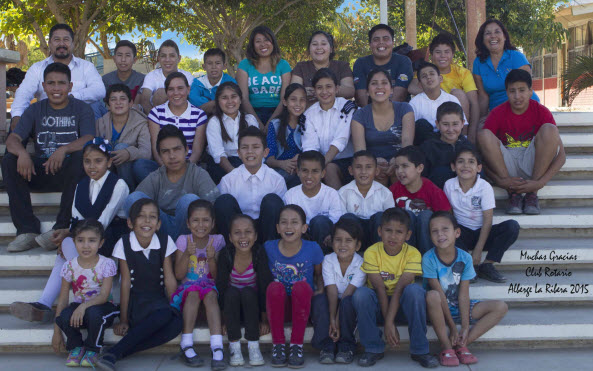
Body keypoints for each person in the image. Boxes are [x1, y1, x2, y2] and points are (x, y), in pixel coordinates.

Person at [9, 141, 128, 322]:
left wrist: (76, 241)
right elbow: (76, 219)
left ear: (109, 162)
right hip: (88, 239)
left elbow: (103, 222)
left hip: (108, 240)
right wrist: (70, 238)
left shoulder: (118, 185)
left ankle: (77, 302)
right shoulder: (80, 185)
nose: (92, 166)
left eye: (98, 161)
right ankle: (45, 304)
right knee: (65, 243)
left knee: (71, 244)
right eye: (87, 161)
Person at [2, 62, 94, 253]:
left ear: (70, 86)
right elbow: (14, 139)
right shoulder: (35, 110)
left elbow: (88, 138)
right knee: (9, 160)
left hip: (69, 175)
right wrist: (22, 153)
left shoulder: (82, 108)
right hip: (39, 171)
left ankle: (60, 227)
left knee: (80, 157)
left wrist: (64, 149)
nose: (56, 88)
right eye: (51, 83)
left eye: (61, 83)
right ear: (43, 86)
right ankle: (26, 231)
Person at [96, 199, 182, 370]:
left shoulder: (165, 241)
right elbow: (126, 283)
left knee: (177, 323)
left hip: (157, 301)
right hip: (137, 303)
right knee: (164, 316)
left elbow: (169, 278)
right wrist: (124, 319)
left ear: (158, 224)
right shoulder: (124, 243)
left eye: (152, 217)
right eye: (141, 216)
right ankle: (115, 352)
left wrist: (176, 306)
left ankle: (115, 352)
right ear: (130, 222)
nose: (147, 221)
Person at [347, 208, 438, 368]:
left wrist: (390, 322)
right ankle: (373, 347)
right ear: (380, 231)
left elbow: (400, 289)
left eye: (399, 232)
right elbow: (380, 289)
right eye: (388, 230)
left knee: (415, 291)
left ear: (408, 235)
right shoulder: (372, 252)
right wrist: (388, 322)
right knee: (361, 294)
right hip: (377, 305)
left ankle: (420, 349)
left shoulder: (413, 253)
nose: (393, 236)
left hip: (402, 305)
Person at [424, 212, 508, 366]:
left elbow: (463, 295)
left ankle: (462, 344)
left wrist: (464, 327)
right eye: (434, 231)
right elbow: (440, 295)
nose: (440, 234)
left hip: (460, 306)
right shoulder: (428, 258)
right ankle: (446, 346)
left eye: (445, 229)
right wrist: (452, 327)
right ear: (430, 236)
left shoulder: (465, 258)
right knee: (432, 295)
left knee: (500, 307)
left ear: (457, 233)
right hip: (438, 310)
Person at [478, 69, 565, 215]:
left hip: (533, 165)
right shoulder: (497, 113)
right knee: (484, 134)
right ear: (506, 92)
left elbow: (561, 156)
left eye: (522, 90)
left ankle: (532, 195)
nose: (517, 96)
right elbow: (482, 155)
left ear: (531, 91)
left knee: (550, 129)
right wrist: (501, 181)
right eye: (512, 91)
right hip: (506, 165)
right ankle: (513, 194)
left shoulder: (542, 112)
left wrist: (540, 183)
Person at [124, 125, 220, 240]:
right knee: (133, 199)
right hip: (161, 229)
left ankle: (181, 249)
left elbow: (212, 210)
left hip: (190, 233)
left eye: (177, 149)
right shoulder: (156, 177)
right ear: (159, 155)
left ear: (186, 150)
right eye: (165, 151)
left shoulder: (198, 174)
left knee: (189, 201)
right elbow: (136, 206)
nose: (172, 156)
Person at [445, 148, 520, 283]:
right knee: (448, 229)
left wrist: (478, 250)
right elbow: (449, 215)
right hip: (462, 233)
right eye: (460, 162)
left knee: (512, 226)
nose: (466, 166)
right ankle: (467, 266)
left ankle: (487, 265)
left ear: (479, 168)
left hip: (483, 232)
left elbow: (487, 220)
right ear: (453, 167)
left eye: (471, 162)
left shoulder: (484, 187)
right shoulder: (449, 185)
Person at [10, 23, 105, 127]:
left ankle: (93, 142)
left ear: (73, 43)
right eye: (57, 40)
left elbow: (99, 90)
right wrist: (17, 116)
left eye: (66, 40)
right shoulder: (37, 68)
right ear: (50, 43)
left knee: (95, 106)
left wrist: (71, 97)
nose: (62, 44)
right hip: (48, 119)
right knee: (23, 116)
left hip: (80, 119)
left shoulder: (86, 67)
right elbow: (24, 93)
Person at [52, 220, 119, 367]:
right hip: (80, 308)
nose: (86, 245)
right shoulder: (69, 266)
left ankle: (93, 349)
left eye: (92, 240)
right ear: (74, 242)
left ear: (101, 243)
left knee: (95, 313)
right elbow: (63, 300)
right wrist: (56, 332)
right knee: (63, 316)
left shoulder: (106, 264)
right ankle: (76, 347)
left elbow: (103, 296)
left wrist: (83, 307)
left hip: (103, 307)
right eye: (81, 240)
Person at [264, 205, 324, 368]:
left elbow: (318, 274)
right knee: (274, 288)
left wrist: (320, 290)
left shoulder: (313, 248)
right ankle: (278, 345)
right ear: (277, 228)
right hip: (279, 307)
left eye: (294, 222)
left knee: (302, 287)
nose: (289, 227)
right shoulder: (269, 247)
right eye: (284, 222)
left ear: (304, 228)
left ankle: (297, 345)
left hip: (303, 307)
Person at [171, 200, 226, 369]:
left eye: (206, 220)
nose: (200, 225)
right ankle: (186, 343)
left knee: (210, 295)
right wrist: (187, 253)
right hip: (188, 288)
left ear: (213, 223)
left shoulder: (217, 240)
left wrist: (211, 258)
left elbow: (217, 276)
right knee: (194, 292)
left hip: (210, 286)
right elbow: (179, 274)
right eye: (195, 220)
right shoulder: (183, 240)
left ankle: (217, 347)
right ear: (188, 223)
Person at [216, 214, 273, 367]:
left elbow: (263, 288)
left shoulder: (259, 253)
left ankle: (254, 346)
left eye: (248, 232)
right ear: (229, 237)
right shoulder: (226, 255)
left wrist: (264, 320)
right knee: (231, 292)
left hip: (252, 309)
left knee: (248, 292)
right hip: (232, 309)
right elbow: (220, 289)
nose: (243, 237)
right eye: (237, 232)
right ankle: (234, 347)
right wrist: (223, 320)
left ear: (255, 236)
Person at [215, 126, 286, 243]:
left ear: (265, 152)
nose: (250, 152)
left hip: (266, 229)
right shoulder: (229, 180)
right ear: (238, 153)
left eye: (256, 147)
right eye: (244, 147)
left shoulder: (276, 179)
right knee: (224, 201)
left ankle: (269, 250)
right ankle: (231, 251)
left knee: (272, 200)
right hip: (238, 230)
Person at [312, 218, 366, 364]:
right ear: (331, 242)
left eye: (348, 240)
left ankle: (346, 346)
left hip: (349, 301)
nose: (342, 245)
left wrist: (335, 319)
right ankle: (327, 346)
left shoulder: (361, 263)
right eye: (338, 240)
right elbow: (331, 290)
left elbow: (349, 292)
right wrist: (332, 319)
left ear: (357, 245)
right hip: (333, 298)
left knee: (348, 303)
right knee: (319, 300)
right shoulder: (328, 260)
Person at [351, 69, 414, 186]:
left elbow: (407, 144)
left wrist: (397, 160)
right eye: (374, 83)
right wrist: (374, 163)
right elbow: (360, 152)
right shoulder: (359, 115)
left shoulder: (405, 109)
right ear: (367, 92)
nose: (379, 87)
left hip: (401, 161)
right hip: (372, 164)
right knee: (376, 173)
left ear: (391, 90)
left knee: (399, 170)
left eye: (384, 83)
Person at [390, 146, 451, 255]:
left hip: (428, 240)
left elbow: (446, 217)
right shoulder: (393, 190)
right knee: (405, 215)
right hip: (405, 240)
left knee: (426, 215)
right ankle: (406, 260)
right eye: (397, 167)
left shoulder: (432, 189)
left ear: (419, 168)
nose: (399, 171)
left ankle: (429, 260)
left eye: (405, 166)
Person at [302, 68, 356, 189]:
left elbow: (341, 140)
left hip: (348, 161)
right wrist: (314, 168)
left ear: (337, 89)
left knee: (329, 168)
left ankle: (338, 207)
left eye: (329, 87)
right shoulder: (309, 114)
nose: (324, 91)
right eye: (319, 87)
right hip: (321, 162)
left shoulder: (347, 107)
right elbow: (310, 147)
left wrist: (319, 166)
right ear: (314, 91)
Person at [473, 19, 539, 117]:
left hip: (524, 107)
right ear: (482, 39)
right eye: (487, 33)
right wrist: (481, 120)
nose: (493, 36)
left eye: (497, 32)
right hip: (497, 113)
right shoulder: (478, 62)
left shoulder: (516, 57)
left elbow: (524, 90)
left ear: (504, 37)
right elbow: (483, 97)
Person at [283, 150, 344, 253]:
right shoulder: (290, 195)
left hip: (324, 239)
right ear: (298, 172)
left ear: (323, 173)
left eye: (315, 171)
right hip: (300, 238)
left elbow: (336, 223)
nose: (309, 176)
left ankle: (321, 262)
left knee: (319, 222)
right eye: (305, 171)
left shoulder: (331, 194)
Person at [147, 72, 207, 175]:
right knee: (141, 165)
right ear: (166, 92)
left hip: (189, 167)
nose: (176, 93)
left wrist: (182, 172)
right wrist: (167, 170)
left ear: (188, 90)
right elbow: (155, 148)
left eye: (180, 88)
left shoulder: (199, 115)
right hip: (162, 167)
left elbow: (197, 151)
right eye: (171, 89)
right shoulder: (156, 113)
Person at [96, 84, 151, 189]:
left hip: (131, 172)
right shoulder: (100, 123)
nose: (118, 103)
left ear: (130, 103)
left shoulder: (141, 123)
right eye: (113, 99)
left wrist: (128, 153)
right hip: (109, 168)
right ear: (107, 105)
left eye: (122, 99)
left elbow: (147, 153)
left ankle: (127, 192)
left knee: (121, 148)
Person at [236, 26, 291, 126]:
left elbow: (284, 98)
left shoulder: (284, 65)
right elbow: (243, 98)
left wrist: (271, 123)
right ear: (253, 45)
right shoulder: (244, 65)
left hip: (278, 113)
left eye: (266, 40)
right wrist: (257, 122)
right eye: (258, 41)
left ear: (273, 42)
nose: (263, 44)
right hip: (251, 113)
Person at [339, 150, 395, 250]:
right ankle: (351, 255)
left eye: (368, 167)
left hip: (376, 235)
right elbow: (341, 223)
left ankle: (380, 254)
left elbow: (390, 222)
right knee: (348, 218)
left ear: (376, 171)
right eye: (358, 167)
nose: (363, 171)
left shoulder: (385, 193)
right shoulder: (343, 192)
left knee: (381, 217)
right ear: (351, 170)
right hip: (354, 235)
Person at [205, 81, 259, 184]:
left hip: (247, 162)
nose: (230, 101)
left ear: (240, 100)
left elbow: (257, 147)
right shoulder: (214, 122)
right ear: (218, 101)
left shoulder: (249, 120)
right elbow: (218, 154)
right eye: (224, 98)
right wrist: (236, 175)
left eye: (234, 96)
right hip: (223, 165)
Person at [429, 34, 479, 143]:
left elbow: (474, 103)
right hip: (432, 115)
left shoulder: (462, 73)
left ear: (452, 54)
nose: (442, 56)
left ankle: (462, 137)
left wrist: (472, 133)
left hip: (456, 119)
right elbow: (412, 86)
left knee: (458, 93)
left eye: (447, 52)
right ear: (431, 55)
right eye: (438, 52)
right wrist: (437, 93)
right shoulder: (426, 71)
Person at [353, 24, 414, 106]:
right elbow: (361, 96)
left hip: (398, 112)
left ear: (393, 43)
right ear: (370, 44)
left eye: (386, 39)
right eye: (376, 39)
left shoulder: (403, 61)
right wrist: (371, 116)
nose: (381, 42)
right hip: (367, 113)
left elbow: (399, 95)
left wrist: (385, 115)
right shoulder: (360, 63)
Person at [410, 62, 468, 145]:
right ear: (420, 84)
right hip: (426, 144)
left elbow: (461, 125)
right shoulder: (414, 102)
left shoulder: (451, 99)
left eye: (432, 74)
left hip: (448, 138)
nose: (428, 77)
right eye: (424, 76)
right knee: (421, 124)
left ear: (440, 78)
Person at [291, 30, 354, 106]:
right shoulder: (301, 67)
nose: (319, 47)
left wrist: (321, 90)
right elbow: (293, 91)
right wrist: (303, 92)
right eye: (314, 44)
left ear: (331, 49)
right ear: (309, 49)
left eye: (323, 44)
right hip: (307, 113)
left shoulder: (342, 66)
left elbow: (350, 91)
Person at [420, 102, 475, 189]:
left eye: (455, 124)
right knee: (441, 172)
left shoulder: (467, 147)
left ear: (462, 123)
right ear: (437, 124)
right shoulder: (428, 147)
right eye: (445, 124)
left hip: (464, 196)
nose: (450, 129)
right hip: (437, 195)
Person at [265, 83, 307, 189]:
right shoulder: (275, 125)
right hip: (279, 170)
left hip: (301, 170)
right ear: (285, 102)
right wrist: (283, 164)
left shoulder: (308, 124)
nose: (298, 104)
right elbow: (269, 159)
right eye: (293, 99)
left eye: (302, 100)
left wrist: (301, 158)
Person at [139, 39, 194, 114]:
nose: (167, 60)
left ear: (179, 58)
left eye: (172, 56)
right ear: (158, 58)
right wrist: (155, 119)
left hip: (182, 116)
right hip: (157, 117)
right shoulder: (151, 76)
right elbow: (145, 100)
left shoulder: (187, 76)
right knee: (160, 93)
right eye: (163, 56)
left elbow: (192, 100)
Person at [188, 48, 237, 115]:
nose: (214, 67)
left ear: (224, 66)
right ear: (204, 67)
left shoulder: (230, 82)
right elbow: (193, 101)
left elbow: (234, 103)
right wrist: (217, 102)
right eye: (209, 63)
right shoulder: (197, 83)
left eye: (218, 63)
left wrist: (212, 103)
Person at [101, 40, 145, 105]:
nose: (123, 59)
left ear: (134, 60)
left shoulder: (142, 79)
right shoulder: (105, 80)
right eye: (119, 55)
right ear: (114, 58)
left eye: (127, 55)